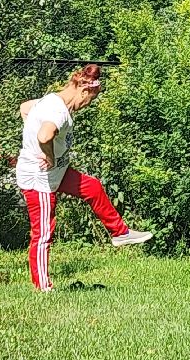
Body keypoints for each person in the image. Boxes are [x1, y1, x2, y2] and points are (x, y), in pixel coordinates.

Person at [16, 65, 152, 291]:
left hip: (57, 173)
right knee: (43, 233)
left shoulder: (51, 101)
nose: (88, 105)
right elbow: (44, 135)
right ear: (83, 91)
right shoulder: (58, 112)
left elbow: (25, 108)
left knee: (92, 187)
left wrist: (31, 134)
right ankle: (42, 287)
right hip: (39, 178)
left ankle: (120, 233)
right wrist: (46, 154)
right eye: (91, 100)